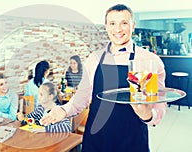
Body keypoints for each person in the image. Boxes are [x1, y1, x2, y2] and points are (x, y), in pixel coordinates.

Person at [40, 4, 166, 152]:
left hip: (132, 140)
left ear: (133, 26)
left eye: (124, 23)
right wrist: (63, 110)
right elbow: (82, 97)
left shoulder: (149, 60)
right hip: (96, 139)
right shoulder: (94, 58)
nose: (118, 29)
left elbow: (159, 105)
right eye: (112, 23)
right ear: (106, 26)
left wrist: (148, 116)